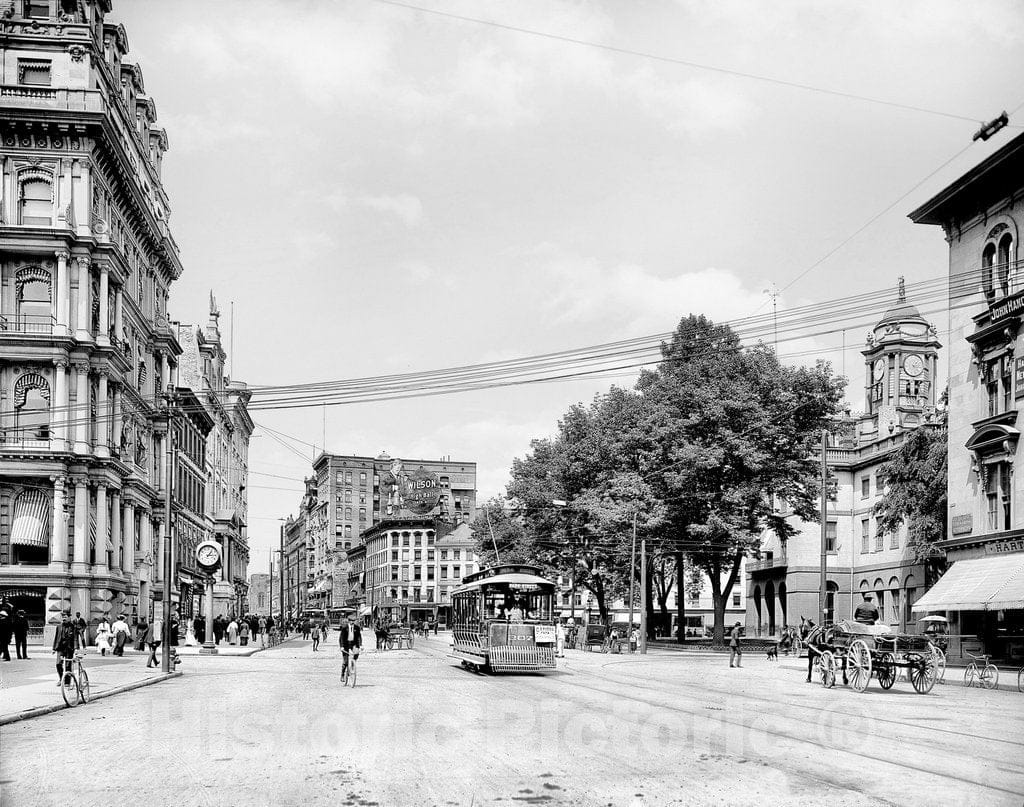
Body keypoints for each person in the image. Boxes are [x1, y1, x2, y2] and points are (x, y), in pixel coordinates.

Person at [53, 610, 78, 684]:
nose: (64, 618)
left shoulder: (73, 627)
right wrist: (54, 648)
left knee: (68, 665)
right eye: (63, 617)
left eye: (65, 617)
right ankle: (61, 679)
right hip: (60, 648)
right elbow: (56, 638)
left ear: (69, 617)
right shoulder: (59, 627)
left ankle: (67, 682)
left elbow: (75, 638)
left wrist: (76, 648)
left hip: (69, 648)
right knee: (58, 664)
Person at [339, 613, 362, 680]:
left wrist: (360, 645)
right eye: (351, 621)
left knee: (356, 654)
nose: (352, 622)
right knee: (345, 662)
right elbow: (341, 638)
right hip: (345, 644)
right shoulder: (344, 628)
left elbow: (359, 637)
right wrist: (341, 646)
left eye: (353, 621)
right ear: (348, 621)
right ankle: (342, 675)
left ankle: (352, 666)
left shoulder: (357, 628)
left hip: (353, 644)